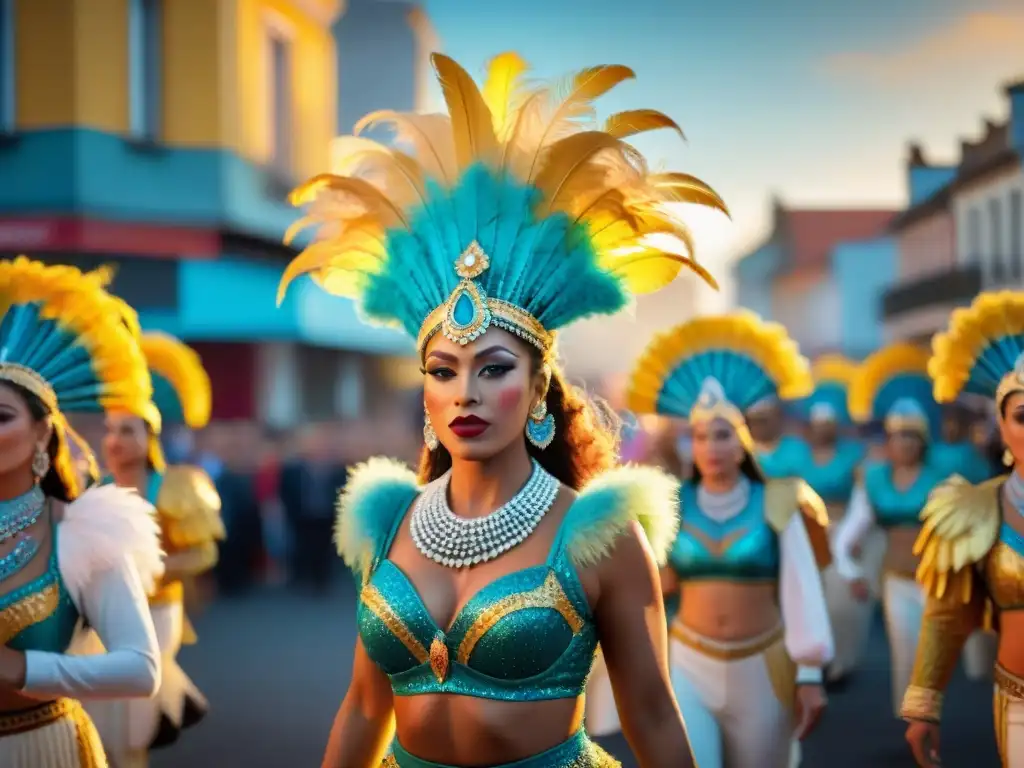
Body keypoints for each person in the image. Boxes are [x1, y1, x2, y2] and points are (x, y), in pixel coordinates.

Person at [278, 50, 727, 768]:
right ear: (424, 389)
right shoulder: (387, 521)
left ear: (540, 388)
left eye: (493, 369)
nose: (466, 393)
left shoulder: (601, 538)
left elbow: (653, 716)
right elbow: (364, 708)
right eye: (443, 370)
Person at [624, 313, 833, 768]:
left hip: (762, 666)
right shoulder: (669, 503)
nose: (711, 447)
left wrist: (811, 671)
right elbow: (654, 585)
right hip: (687, 662)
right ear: (690, 445)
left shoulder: (779, 500)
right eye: (700, 436)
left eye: (721, 435)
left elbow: (801, 587)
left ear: (741, 444)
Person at [0, 256, 163, 766]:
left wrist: (23, 669)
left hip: (41, 745)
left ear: (43, 432)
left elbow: (141, 668)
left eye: (1, 417)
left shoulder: (84, 532)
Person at [88, 330, 224, 767]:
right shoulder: (94, 488)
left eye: (126, 430)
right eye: (109, 430)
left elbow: (205, 553)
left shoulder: (178, 487)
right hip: (104, 615)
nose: (114, 440)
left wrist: (155, 568)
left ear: (149, 436)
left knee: (135, 718)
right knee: (101, 715)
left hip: (158, 611)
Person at [901, 291, 1024, 767]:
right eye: (1023, 416)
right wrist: (924, 704)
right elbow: (948, 615)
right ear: (1001, 424)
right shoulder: (976, 510)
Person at [833, 342, 946, 718]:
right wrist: (851, 574)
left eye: (912, 436)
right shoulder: (874, 480)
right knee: (905, 654)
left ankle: (928, 721)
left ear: (923, 441)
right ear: (889, 441)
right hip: (896, 581)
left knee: (932, 660)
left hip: (937, 582)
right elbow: (848, 535)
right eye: (898, 436)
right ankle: (914, 725)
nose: (905, 444)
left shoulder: (941, 481)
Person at [793, 355, 869, 685]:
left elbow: (863, 497)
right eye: (817, 423)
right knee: (809, 598)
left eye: (829, 423)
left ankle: (841, 664)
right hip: (808, 534)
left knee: (841, 601)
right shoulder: (798, 455)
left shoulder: (853, 455)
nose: (823, 429)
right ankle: (812, 660)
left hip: (843, 529)